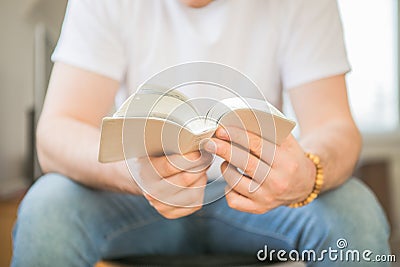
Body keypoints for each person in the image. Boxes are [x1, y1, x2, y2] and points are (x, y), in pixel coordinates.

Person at [12, 0, 390, 266]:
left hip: (258, 202)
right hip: (135, 199)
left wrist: (308, 172)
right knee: (48, 206)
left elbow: (336, 126)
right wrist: (133, 173)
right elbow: (56, 132)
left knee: (354, 210)